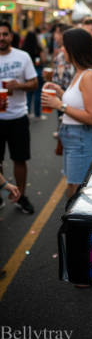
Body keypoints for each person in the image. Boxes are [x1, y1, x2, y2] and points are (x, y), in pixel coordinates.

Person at [41, 28, 92, 199]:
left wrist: (60, 105)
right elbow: (79, 103)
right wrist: (60, 92)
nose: (61, 49)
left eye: (64, 46)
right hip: (74, 139)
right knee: (73, 186)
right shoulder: (80, 72)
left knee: (78, 195)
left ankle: (75, 227)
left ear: (74, 49)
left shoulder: (89, 76)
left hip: (82, 140)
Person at [0, 20, 37, 214]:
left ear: (11, 36)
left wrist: (18, 85)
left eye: (5, 34)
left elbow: (34, 83)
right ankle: (2, 193)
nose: (1, 38)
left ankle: (21, 195)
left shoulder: (22, 57)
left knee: (20, 159)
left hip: (18, 116)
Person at [22, 30, 47, 119]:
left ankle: (27, 112)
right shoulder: (38, 48)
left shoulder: (23, 49)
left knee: (28, 94)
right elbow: (43, 59)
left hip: (27, 72)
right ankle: (37, 114)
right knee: (38, 93)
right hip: (37, 70)